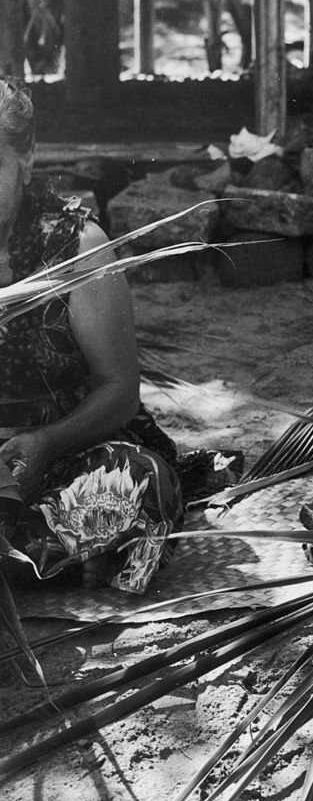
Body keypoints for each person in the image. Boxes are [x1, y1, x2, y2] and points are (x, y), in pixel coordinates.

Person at [0, 78, 182, 593]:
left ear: (28, 157)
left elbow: (120, 391)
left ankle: (31, 557)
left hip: (55, 464)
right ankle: (46, 561)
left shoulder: (76, 249)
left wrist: (48, 442)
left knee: (137, 481)